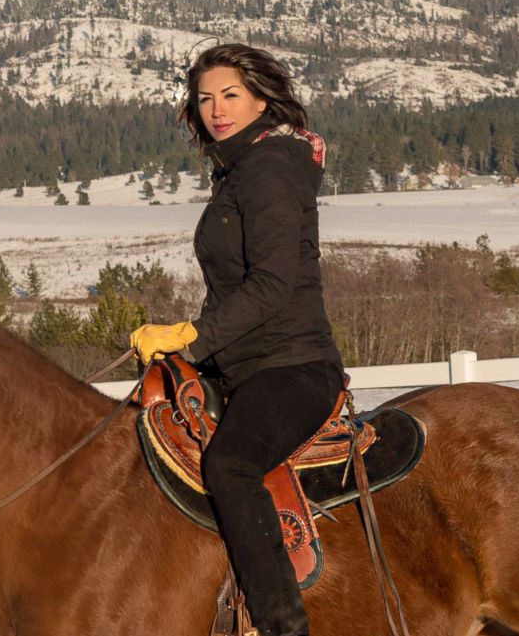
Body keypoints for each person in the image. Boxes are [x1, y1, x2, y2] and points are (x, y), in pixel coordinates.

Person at [130, 42, 345, 636]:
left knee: (230, 465)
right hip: (239, 362)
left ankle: (282, 625)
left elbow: (273, 284)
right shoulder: (239, 169)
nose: (217, 109)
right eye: (205, 99)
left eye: (230, 95)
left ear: (260, 99)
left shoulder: (271, 167)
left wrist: (192, 339)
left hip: (292, 364)